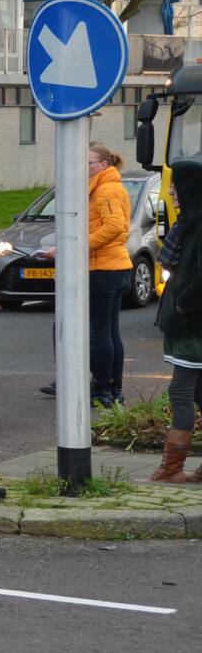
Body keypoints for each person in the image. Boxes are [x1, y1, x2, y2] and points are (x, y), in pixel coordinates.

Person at [38, 144, 133, 406]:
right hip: (113, 267)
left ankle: (103, 390)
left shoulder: (106, 189)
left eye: (88, 162)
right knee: (109, 331)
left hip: (104, 268)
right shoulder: (105, 186)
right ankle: (112, 390)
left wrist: (77, 246)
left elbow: (114, 226)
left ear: (103, 165)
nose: (84, 167)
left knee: (102, 332)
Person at [151, 158, 202, 483]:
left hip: (193, 327)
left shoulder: (198, 226)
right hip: (189, 324)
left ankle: (171, 470)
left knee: (181, 393)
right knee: (199, 394)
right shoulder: (189, 222)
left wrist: (183, 305)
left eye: (176, 186)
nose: (171, 192)